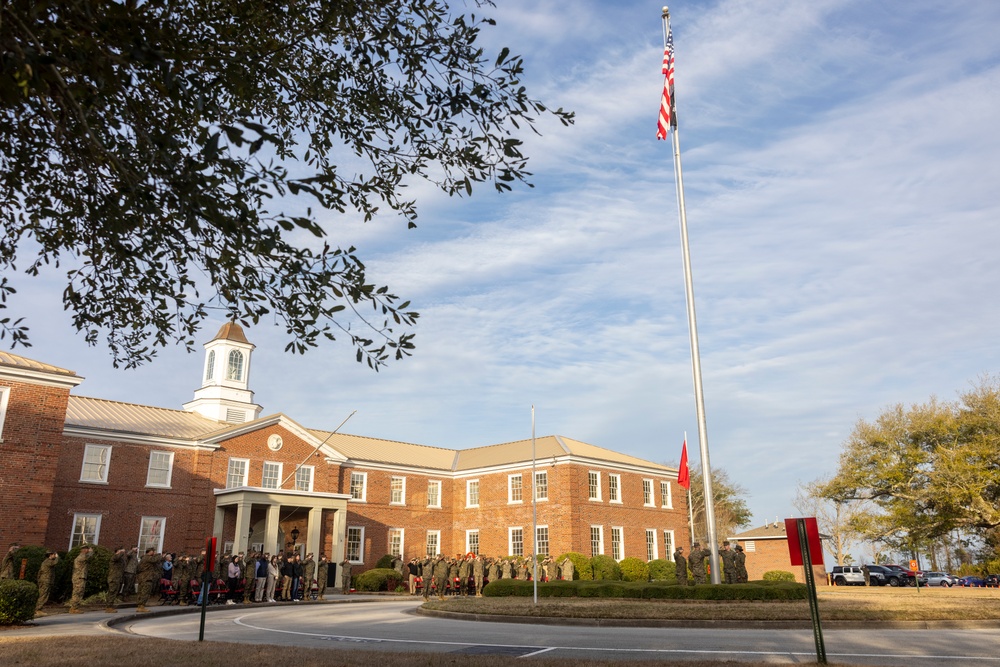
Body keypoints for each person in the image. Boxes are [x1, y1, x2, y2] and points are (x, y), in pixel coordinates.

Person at [136, 547, 165, 612]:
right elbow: (155, 560)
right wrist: (159, 555)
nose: (154, 552)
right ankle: (141, 606)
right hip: (146, 577)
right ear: (150, 551)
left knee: (141, 591)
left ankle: (140, 605)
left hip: (143, 577)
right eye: (153, 551)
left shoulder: (144, 558)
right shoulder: (147, 557)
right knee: (145, 592)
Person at [68, 544, 94, 613]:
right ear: (84, 550)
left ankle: (75, 607)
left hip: (81, 577)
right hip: (78, 577)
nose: (88, 550)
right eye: (87, 549)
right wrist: (91, 552)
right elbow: (88, 557)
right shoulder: (81, 557)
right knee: (77, 592)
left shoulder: (83, 556)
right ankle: (74, 608)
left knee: (80, 592)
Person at [35, 551, 59, 615]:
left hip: (45, 580)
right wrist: (57, 557)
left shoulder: (47, 561)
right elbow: (55, 563)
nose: (55, 555)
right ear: (50, 555)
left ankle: (38, 608)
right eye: (54, 554)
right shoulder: (48, 561)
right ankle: (38, 609)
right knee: (43, 595)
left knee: (44, 594)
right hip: (45, 580)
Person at [105, 546, 127, 612]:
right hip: (113, 578)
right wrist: (121, 552)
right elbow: (117, 557)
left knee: (115, 592)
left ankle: (110, 606)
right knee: (112, 592)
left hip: (118, 578)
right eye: (121, 550)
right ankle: (108, 607)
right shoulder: (114, 557)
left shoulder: (121, 559)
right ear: (118, 551)